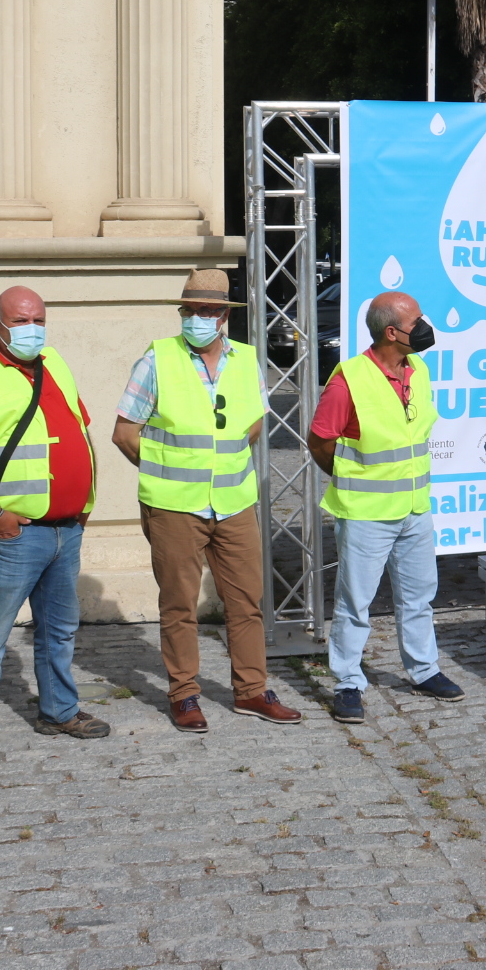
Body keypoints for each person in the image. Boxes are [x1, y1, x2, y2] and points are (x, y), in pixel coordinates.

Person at [112, 270, 299, 734]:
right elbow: (125, 433)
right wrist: (167, 471)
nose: (197, 318)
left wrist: (219, 464)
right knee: (179, 605)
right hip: (175, 506)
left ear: (223, 317)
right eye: (190, 310)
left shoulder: (248, 360)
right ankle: (184, 694)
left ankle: (252, 691)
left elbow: (253, 424)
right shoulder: (156, 360)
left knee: (247, 602)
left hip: (234, 503)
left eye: (208, 310)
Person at [0, 285, 107, 778]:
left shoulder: (54, 363)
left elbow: (78, 431)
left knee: (59, 630)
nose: (32, 329)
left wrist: (84, 502)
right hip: (13, 536)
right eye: (20, 321)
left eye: (38, 320)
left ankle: (58, 711)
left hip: (64, 530)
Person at [308, 290, 464, 724]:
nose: (426, 327)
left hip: (415, 507)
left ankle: (424, 670)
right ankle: (347, 683)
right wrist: (348, 478)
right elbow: (320, 441)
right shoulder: (349, 380)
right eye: (417, 322)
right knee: (354, 603)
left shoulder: (418, 368)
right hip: (366, 514)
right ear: (392, 332)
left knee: (419, 597)